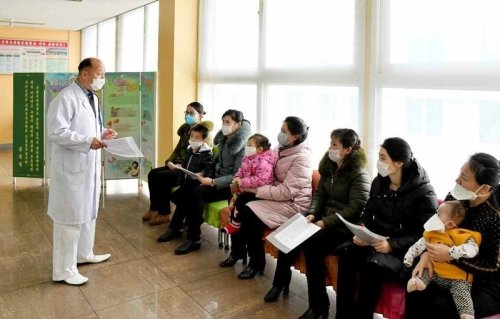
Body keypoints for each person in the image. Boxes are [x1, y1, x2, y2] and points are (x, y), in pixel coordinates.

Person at [267, 129, 371, 318]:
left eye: (334, 145)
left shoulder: (359, 174)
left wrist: (325, 222)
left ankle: (318, 307)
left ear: (347, 150)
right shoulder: (329, 166)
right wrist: (313, 213)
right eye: (330, 143)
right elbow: (320, 195)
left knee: (311, 246)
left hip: (343, 225)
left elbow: (355, 207)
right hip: (322, 219)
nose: (330, 148)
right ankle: (279, 284)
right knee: (290, 232)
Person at [334, 137, 437, 319]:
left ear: (398, 163)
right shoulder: (379, 181)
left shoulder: (424, 193)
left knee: (371, 267)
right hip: (375, 240)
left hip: (402, 251)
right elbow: (368, 211)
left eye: (383, 158)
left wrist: (392, 245)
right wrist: (361, 229)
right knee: (347, 254)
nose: (378, 162)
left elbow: (423, 235)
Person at [46, 57, 117, 286]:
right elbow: (56, 132)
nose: (102, 78)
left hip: (88, 166)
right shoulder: (65, 98)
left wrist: (103, 133)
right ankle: (64, 270)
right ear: (85, 74)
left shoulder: (92, 98)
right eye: (100, 73)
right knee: (70, 219)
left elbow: (90, 126)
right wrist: (87, 140)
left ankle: (84, 254)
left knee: (88, 213)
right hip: (72, 169)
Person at [406, 153, 500, 319]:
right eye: (459, 174)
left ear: (484, 188)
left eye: (463, 178)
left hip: (486, 283)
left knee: (443, 305)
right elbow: (436, 230)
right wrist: (426, 253)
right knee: (415, 288)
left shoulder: (495, 217)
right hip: (447, 269)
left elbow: (493, 266)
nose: (457, 180)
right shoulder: (456, 196)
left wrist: (450, 256)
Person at [228, 116, 313, 280]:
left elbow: (286, 192)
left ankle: (256, 263)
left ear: (295, 136)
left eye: (283, 131)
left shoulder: (302, 158)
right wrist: (244, 186)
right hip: (276, 195)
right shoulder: (280, 148)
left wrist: (255, 189)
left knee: (249, 214)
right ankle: (237, 253)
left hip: (293, 204)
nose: (279, 134)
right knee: (240, 200)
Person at [157, 109, 251, 255]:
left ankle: (193, 238)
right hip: (212, 178)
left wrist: (213, 181)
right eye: (223, 122)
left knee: (195, 194)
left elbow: (236, 176)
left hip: (227, 186)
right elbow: (215, 163)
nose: (224, 125)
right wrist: (203, 173)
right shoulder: (223, 139)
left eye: (228, 122)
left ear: (238, 125)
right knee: (184, 191)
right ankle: (175, 228)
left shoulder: (242, 148)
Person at [404, 201, 481, 319]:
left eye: (439, 214)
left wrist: (451, 252)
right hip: (436, 272)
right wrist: (410, 256)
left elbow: (472, 249)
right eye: (436, 212)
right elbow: (419, 245)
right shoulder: (431, 233)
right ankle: (418, 283)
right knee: (425, 272)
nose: (435, 216)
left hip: (457, 278)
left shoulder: (461, 235)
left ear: (450, 224)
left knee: (461, 292)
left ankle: (466, 314)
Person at [142, 102, 213, 226]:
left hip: (187, 170)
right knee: (153, 173)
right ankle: (154, 209)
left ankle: (164, 213)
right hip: (176, 165)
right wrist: (169, 161)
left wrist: (182, 166)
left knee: (161, 177)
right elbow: (178, 149)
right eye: (187, 112)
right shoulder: (186, 130)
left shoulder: (203, 133)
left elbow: (202, 156)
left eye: (192, 113)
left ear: (200, 115)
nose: (188, 115)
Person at [158, 123, 215, 254]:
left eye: (197, 138)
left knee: (188, 199)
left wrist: (202, 175)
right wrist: (178, 168)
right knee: (178, 196)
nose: (193, 140)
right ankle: (176, 228)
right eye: (192, 137)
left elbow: (209, 173)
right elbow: (185, 166)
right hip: (188, 183)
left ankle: (192, 237)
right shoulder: (190, 150)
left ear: (203, 139)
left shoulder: (206, 154)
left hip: (198, 184)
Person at [222, 133, 276, 235]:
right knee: (232, 198)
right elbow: (241, 170)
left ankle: (234, 224)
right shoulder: (247, 157)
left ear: (259, 149)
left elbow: (261, 180)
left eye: (250, 145)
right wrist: (237, 178)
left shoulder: (264, 161)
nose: (247, 147)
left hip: (260, 191)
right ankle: (233, 220)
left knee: (242, 199)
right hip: (247, 187)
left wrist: (243, 182)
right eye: (247, 144)